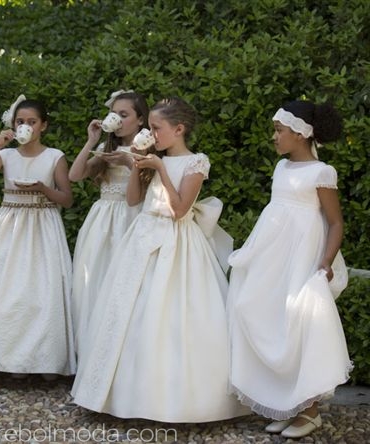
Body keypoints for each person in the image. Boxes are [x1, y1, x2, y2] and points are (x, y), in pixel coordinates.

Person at [71, 97, 248, 422]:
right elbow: (133, 200)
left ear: (178, 129)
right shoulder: (152, 158)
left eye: (156, 128)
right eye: (149, 127)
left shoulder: (196, 162)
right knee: (128, 314)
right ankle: (119, 397)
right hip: (140, 239)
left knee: (166, 315)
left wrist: (161, 169)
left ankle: (172, 402)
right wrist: (138, 166)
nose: (149, 133)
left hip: (176, 242)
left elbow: (180, 209)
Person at [227, 100, 352, 438]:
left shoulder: (321, 173)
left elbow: (335, 222)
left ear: (301, 133)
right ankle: (286, 404)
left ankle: (309, 411)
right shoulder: (282, 169)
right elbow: (275, 215)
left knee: (297, 325)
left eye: (279, 130)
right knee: (258, 313)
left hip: (302, 257)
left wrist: (325, 262)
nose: (274, 137)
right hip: (272, 257)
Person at [0, 96, 75, 380]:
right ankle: (7, 360)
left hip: (42, 226)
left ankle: (45, 361)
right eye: (21, 121)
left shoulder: (54, 156)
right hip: (9, 226)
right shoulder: (6, 156)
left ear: (43, 125)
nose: (26, 127)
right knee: (3, 291)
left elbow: (67, 199)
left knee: (41, 293)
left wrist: (44, 188)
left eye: (32, 122)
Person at [68, 90, 149, 359]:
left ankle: (121, 354)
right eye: (115, 114)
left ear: (140, 120)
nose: (118, 120)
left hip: (131, 216)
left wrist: (131, 162)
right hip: (103, 219)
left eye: (124, 115)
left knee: (125, 282)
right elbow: (75, 175)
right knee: (94, 279)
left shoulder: (147, 148)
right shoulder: (107, 148)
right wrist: (93, 140)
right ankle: (91, 352)